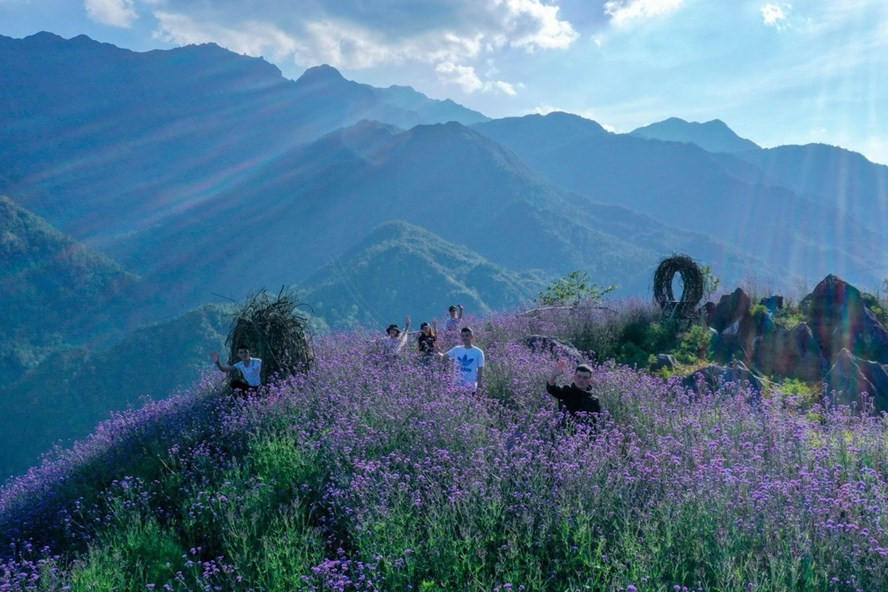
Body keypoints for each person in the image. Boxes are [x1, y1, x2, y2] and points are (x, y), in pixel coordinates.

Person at [440, 326, 485, 391]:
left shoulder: (478, 352)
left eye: (467, 335)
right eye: (462, 336)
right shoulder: (456, 349)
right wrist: (445, 373)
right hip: (456, 385)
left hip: (470, 386)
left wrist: (479, 384)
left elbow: (480, 370)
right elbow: (445, 356)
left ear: (472, 337)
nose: (464, 338)